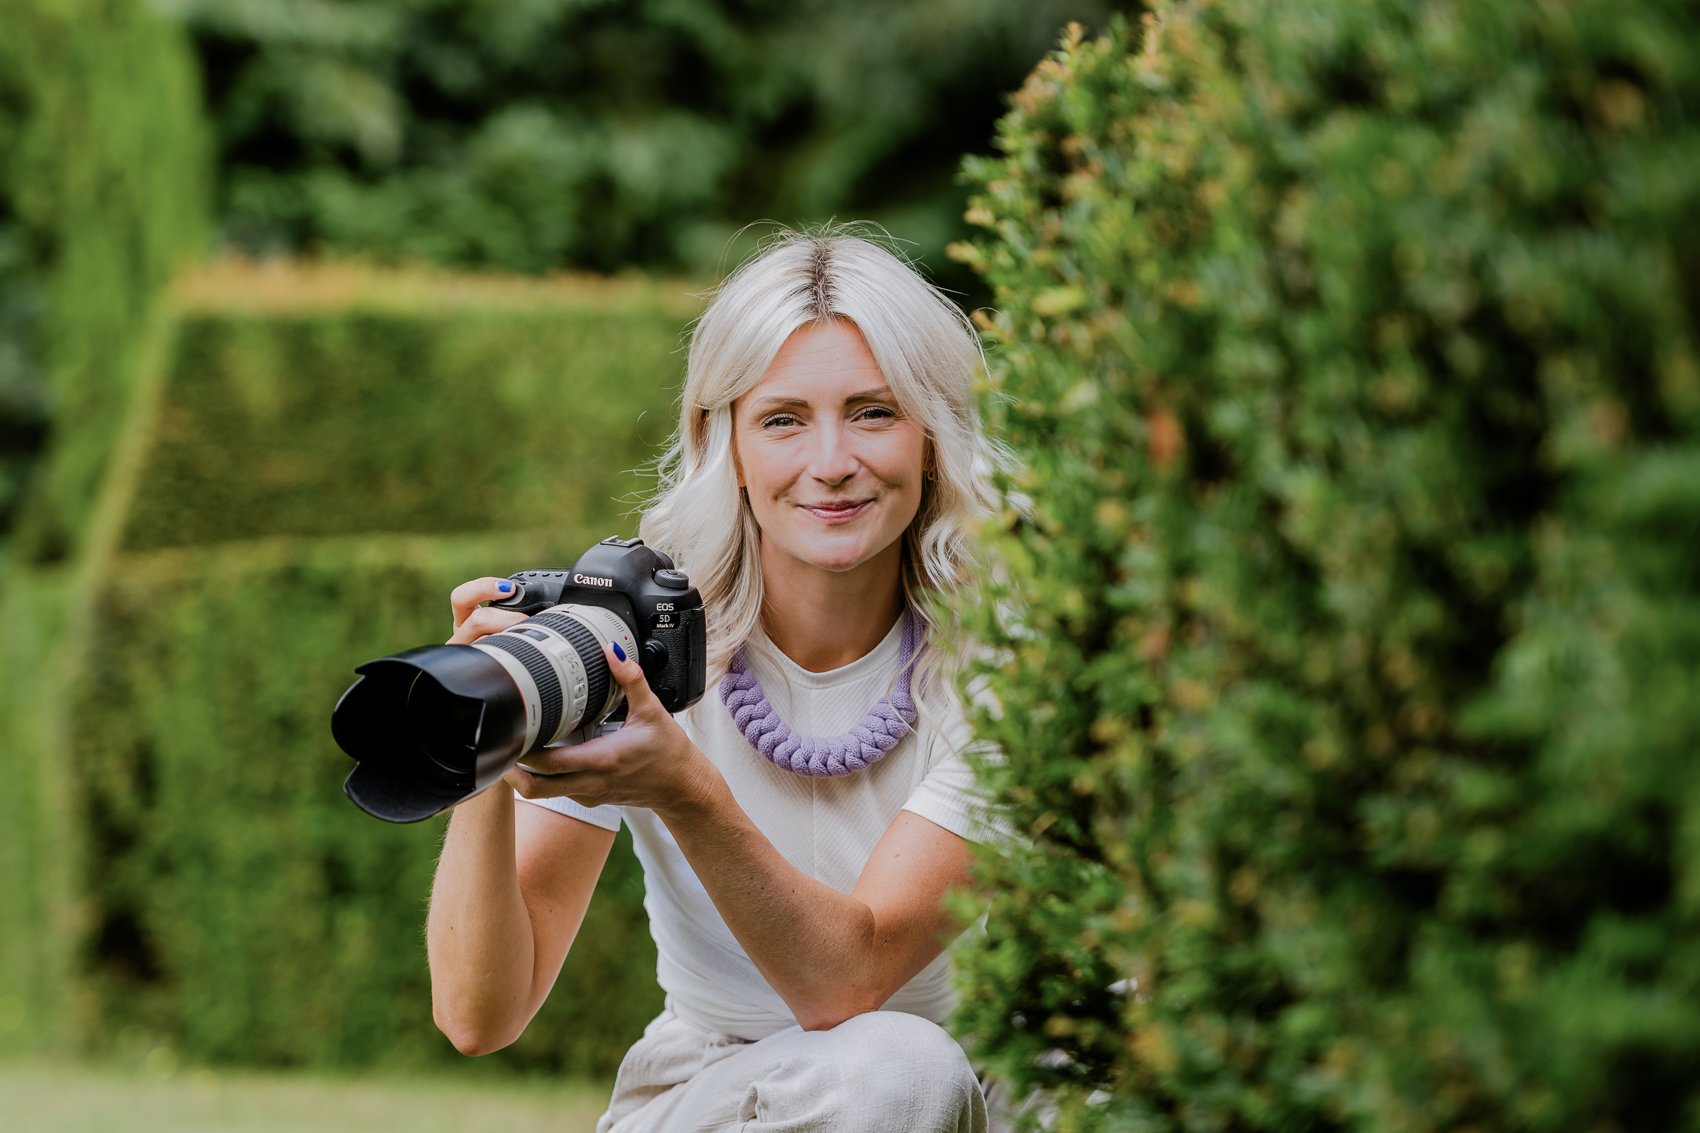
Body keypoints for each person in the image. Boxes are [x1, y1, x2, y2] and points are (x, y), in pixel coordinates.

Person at [425, 228, 1008, 1133]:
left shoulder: (1001, 667)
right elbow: (478, 1016)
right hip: (711, 1098)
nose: (830, 462)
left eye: (872, 412)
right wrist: (487, 732)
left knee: (903, 1069)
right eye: (783, 419)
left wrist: (684, 791)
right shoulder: (638, 641)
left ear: (932, 436)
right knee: (899, 1071)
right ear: (722, 441)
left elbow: (849, 982)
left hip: (950, 1097)